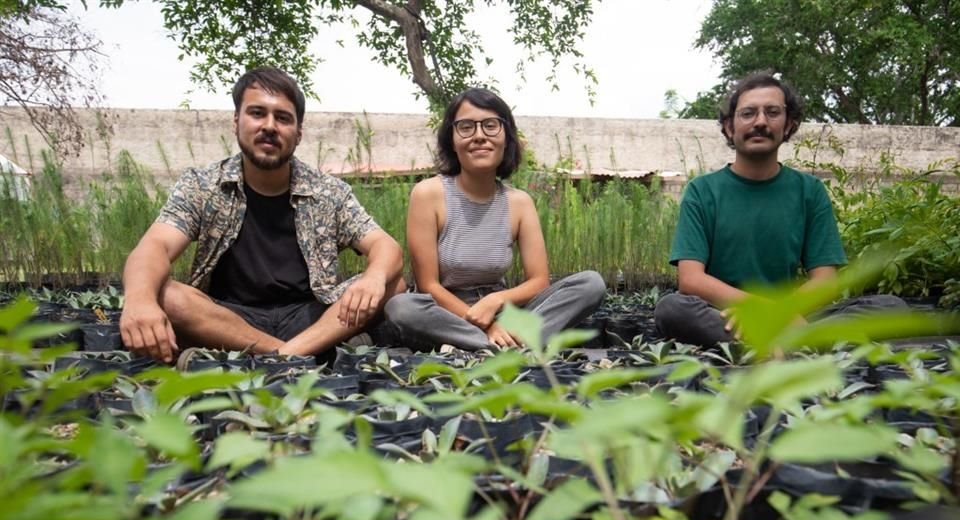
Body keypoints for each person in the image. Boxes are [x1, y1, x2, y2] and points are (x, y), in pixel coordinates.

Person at [120, 67, 404, 363]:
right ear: (236, 122)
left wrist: (373, 277)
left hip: (309, 316)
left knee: (391, 283)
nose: (269, 126)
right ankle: (299, 354)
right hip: (227, 320)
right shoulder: (202, 185)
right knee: (165, 294)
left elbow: (387, 247)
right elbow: (154, 247)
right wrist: (139, 301)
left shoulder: (328, 191)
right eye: (257, 113)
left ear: (299, 133)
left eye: (283, 118)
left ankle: (270, 356)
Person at [654, 72, 904, 347]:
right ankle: (800, 343)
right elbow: (691, 280)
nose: (760, 121)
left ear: (788, 125)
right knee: (672, 309)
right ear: (729, 127)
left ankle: (761, 344)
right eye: (748, 113)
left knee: (890, 307)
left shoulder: (809, 191)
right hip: (724, 312)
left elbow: (824, 280)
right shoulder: (702, 191)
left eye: (772, 112)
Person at [384, 87, 605, 351]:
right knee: (402, 307)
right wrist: (485, 325)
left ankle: (496, 345)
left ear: (506, 137)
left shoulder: (519, 202)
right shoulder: (428, 194)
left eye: (490, 125)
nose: (479, 136)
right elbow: (428, 285)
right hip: (450, 316)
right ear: (452, 140)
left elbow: (539, 281)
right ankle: (506, 345)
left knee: (591, 284)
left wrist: (496, 301)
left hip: (506, 311)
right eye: (466, 127)